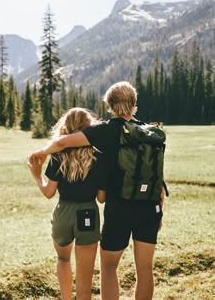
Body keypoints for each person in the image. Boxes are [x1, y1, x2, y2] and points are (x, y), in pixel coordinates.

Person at [28, 81, 165, 300]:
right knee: (145, 269)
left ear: (109, 105)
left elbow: (63, 143)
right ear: (134, 104)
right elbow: (158, 176)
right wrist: (159, 209)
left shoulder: (106, 130)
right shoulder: (148, 133)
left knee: (109, 267)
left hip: (119, 207)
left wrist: (42, 153)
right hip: (149, 207)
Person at [28, 107, 107, 300]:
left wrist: (37, 177)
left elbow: (49, 193)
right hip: (88, 212)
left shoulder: (58, 155)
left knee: (63, 259)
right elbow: (101, 198)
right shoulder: (99, 155)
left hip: (63, 211)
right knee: (85, 278)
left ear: (66, 126)